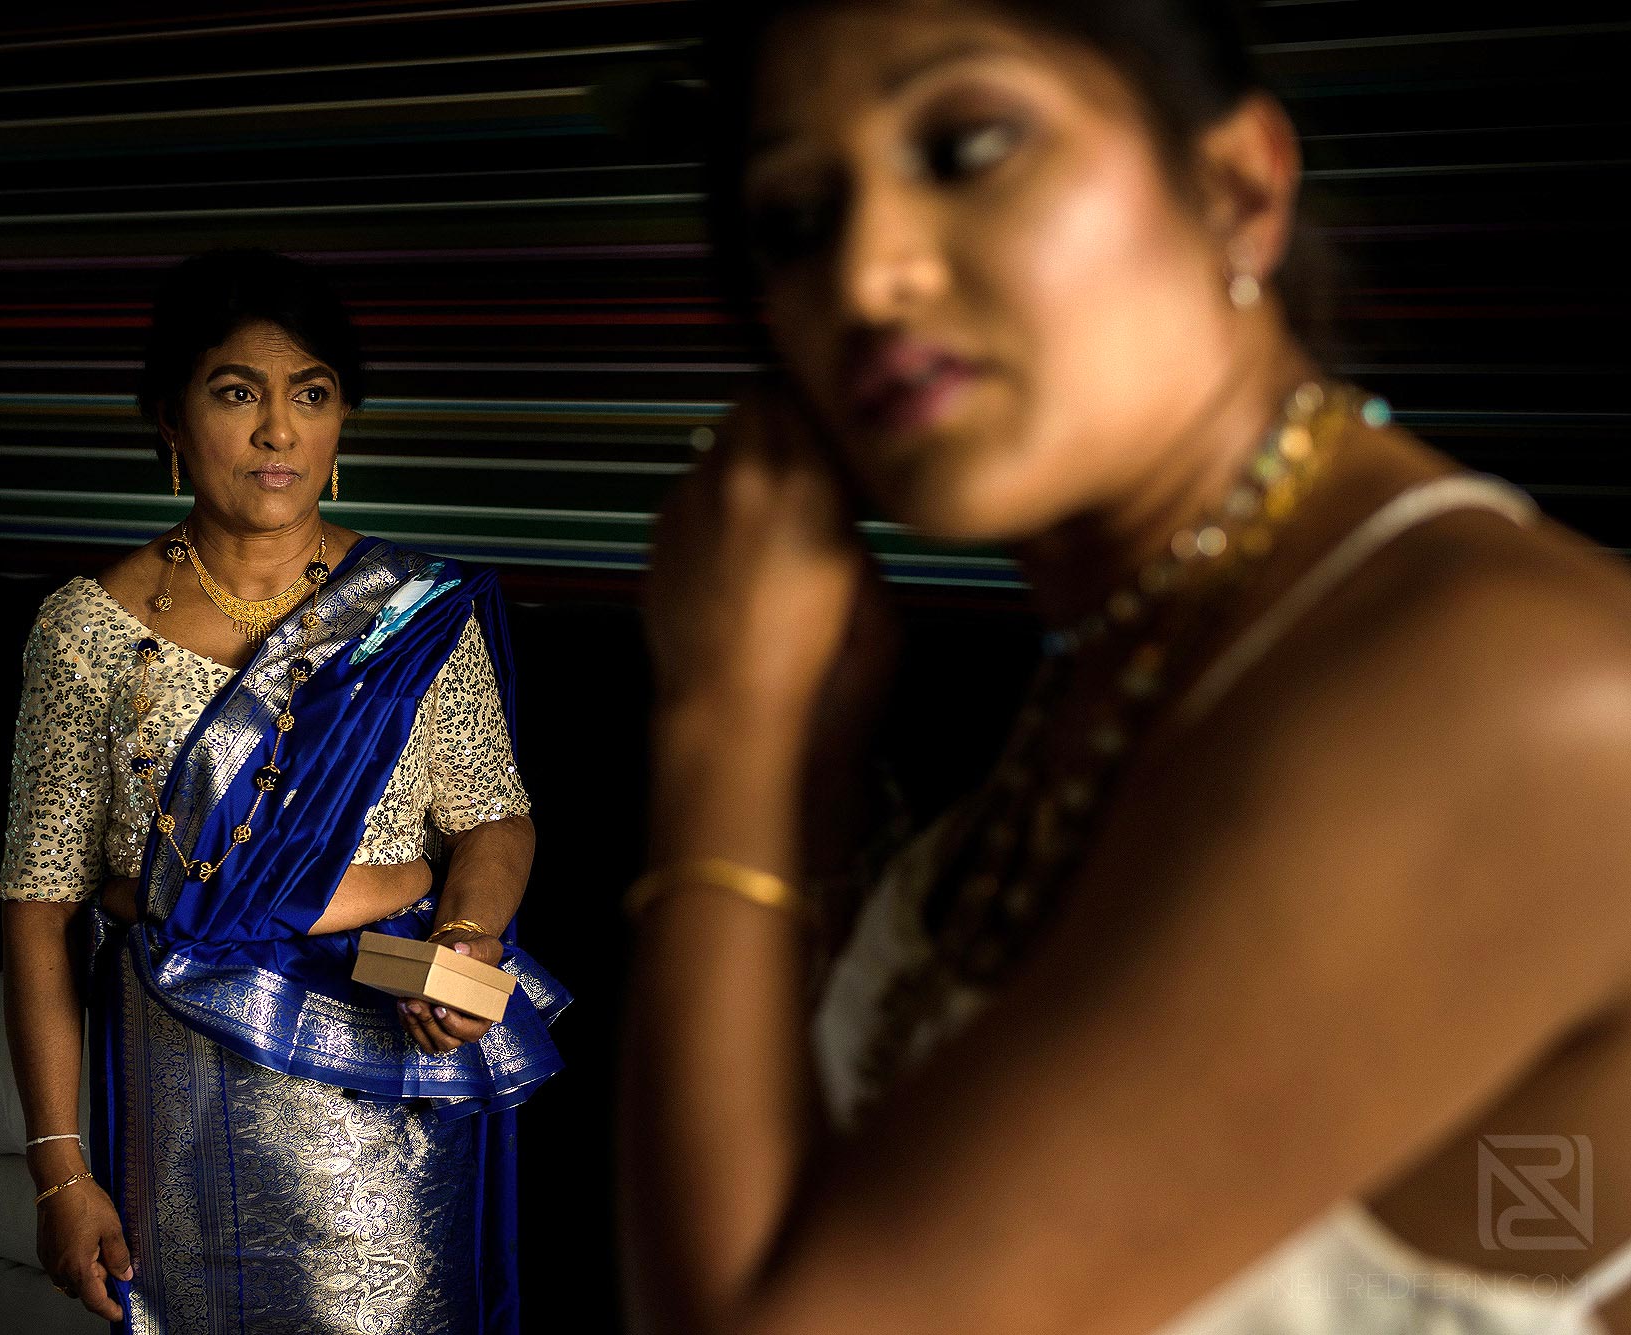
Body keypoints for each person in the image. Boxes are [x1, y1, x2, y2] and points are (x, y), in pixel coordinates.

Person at [620, 4, 1631, 1334]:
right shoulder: (1129, 641)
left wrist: (722, 710)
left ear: (1235, 187)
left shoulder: (1501, 682)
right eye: (797, 218)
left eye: (969, 145)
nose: (869, 274)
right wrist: (805, 761)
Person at [0, 249, 566, 1335]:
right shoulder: (86, 633)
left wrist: (466, 938)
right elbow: (39, 907)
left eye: (310, 393)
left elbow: (492, 814)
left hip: (388, 1008)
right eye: (234, 393)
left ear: (342, 419)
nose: (277, 432)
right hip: (179, 1051)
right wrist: (60, 1175)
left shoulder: (406, 614)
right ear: (167, 418)